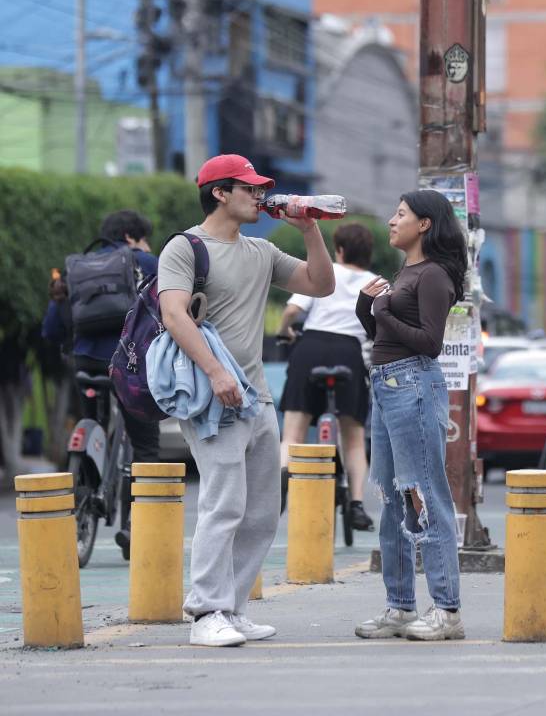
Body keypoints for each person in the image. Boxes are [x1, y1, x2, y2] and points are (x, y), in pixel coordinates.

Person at [158, 154, 335, 647]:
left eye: (261, 189)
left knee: (260, 510)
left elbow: (321, 285)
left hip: (257, 398)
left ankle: (232, 609)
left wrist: (309, 230)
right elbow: (174, 315)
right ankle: (205, 612)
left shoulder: (261, 251)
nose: (260, 197)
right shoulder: (186, 247)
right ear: (219, 193)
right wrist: (215, 372)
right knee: (224, 504)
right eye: (249, 188)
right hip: (211, 396)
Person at [353, 190, 468, 642]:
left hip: (414, 384)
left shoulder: (434, 274)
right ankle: (400, 606)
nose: (391, 220)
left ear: (424, 224)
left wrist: (383, 310)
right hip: (385, 384)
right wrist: (367, 308)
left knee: (425, 495)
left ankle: (447, 609)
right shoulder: (406, 271)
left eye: (400, 214)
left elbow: (429, 343)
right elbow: (385, 335)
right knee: (391, 498)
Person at [42, 209, 161, 558]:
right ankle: (135, 525)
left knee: (94, 419)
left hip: (85, 364)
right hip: (128, 366)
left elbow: (51, 329)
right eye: (144, 239)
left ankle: (87, 482)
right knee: (145, 446)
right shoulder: (146, 263)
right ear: (130, 237)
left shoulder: (77, 269)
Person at [278, 222, 377, 532]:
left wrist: (284, 332)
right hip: (349, 353)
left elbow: (292, 311)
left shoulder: (325, 270)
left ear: (340, 249)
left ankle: (283, 476)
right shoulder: (377, 282)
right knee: (353, 437)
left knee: (293, 431)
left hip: (310, 348)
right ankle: (357, 505)